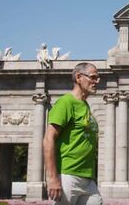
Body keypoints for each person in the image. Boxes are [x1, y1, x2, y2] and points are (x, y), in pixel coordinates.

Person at [43, 62, 102, 205]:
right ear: (79, 77)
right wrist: (52, 178)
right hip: (68, 175)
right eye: (93, 77)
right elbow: (48, 139)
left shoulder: (85, 105)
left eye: (98, 78)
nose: (97, 81)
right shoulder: (66, 103)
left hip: (88, 178)